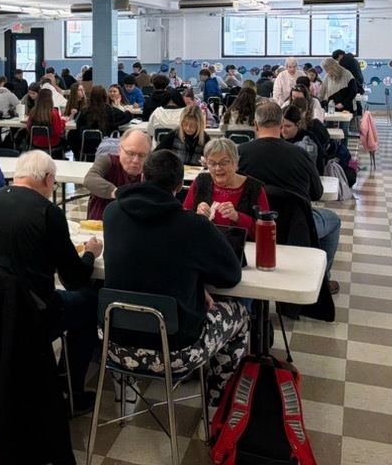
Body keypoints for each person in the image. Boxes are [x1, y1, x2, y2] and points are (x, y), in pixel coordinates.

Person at [104, 149, 248, 410]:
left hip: (115, 344)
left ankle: (126, 395)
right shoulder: (193, 225)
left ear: (143, 176)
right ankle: (216, 404)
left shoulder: (112, 213)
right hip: (177, 350)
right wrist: (197, 282)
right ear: (181, 186)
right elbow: (231, 276)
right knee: (239, 313)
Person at [0, 151, 102, 414]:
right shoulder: (48, 212)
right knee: (90, 300)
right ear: (47, 179)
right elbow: (74, 278)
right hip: (30, 313)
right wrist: (90, 253)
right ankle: (71, 392)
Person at [237, 103, 341, 292]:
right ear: (280, 124)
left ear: (255, 124)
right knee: (333, 220)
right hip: (297, 226)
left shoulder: (239, 153)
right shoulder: (300, 154)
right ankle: (321, 278)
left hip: (252, 225)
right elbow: (316, 193)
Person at [183, 138, 268, 237]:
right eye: (212, 163)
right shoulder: (200, 181)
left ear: (236, 162)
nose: (218, 168)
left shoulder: (254, 188)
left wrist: (237, 217)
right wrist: (197, 216)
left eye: (224, 163)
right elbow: (183, 221)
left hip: (242, 249)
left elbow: (265, 232)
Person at [83, 129, 150, 221]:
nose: (135, 160)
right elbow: (90, 179)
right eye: (130, 153)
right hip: (101, 225)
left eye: (142, 155)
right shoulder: (107, 161)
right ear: (119, 150)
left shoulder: (151, 171)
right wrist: (118, 193)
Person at [75, 86, 133, 157]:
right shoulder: (110, 110)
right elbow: (127, 117)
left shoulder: (84, 112)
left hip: (86, 146)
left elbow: (78, 127)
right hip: (106, 147)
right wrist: (128, 111)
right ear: (105, 96)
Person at [282, 101, 331, 174]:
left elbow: (319, 165)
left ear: (298, 124)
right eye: (280, 126)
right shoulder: (276, 137)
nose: (283, 130)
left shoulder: (309, 139)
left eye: (288, 126)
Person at [26, 88, 65, 153]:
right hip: (52, 143)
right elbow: (58, 132)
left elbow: (28, 129)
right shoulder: (54, 112)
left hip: (36, 143)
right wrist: (63, 122)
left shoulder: (33, 112)